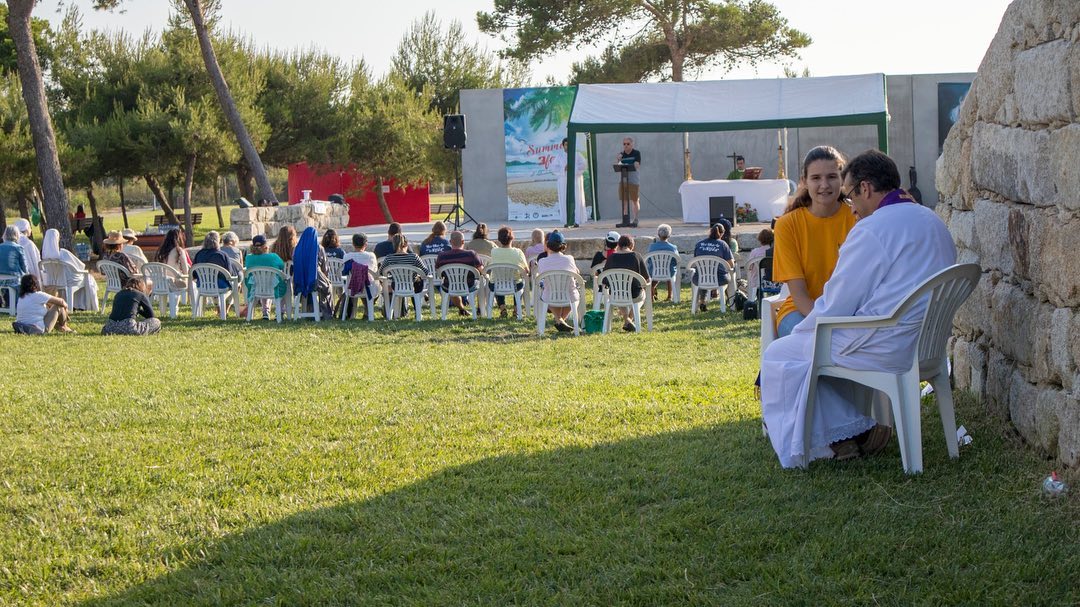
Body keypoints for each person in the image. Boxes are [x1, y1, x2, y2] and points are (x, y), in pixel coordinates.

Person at [760, 149, 957, 468]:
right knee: (800, 352)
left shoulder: (873, 229)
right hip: (928, 346)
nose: (850, 209)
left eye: (850, 196)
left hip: (884, 346)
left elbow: (837, 304)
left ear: (865, 188)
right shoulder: (930, 218)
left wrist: (802, 332)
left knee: (780, 355)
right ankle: (853, 430)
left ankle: (839, 437)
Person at [772, 146, 857, 338]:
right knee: (816, 342)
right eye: (816, 178)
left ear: (842, 179)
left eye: (832, 177)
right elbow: (799, 295)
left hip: (850, 314)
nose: (824, 185)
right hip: (801, 313)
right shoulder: (787, 225)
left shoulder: (857, 217)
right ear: (804, 181)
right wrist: (829, 326)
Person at [42, 228, 99, 311]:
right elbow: (80, 266)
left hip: (52, 281)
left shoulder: (44, 257)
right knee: (89, 278)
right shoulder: (63, 253)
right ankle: (84, 305)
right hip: (68, 281)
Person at [602, 235, 651, 331]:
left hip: (616, 294)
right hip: (634, 294)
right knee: (642, 295)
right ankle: (630, 318)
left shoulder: (611, 257)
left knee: (619, 292)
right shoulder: (636, 256)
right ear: (631, 245)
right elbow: (647, 280)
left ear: (618, 245)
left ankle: (626, 320)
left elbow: (604, 280)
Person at [535, 230, 580, 333]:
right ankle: (561, 320)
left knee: (548, 291)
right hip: (569, 296)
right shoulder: (570, 259)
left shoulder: (542, 261)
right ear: (563, 246)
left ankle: (559, 319)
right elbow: (577, 273)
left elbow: (541, 276)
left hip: (550, 296)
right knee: (575, 295)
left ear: (548, 245)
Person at [435, 230, 484, 315]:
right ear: (463, 242)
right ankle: (480, 309)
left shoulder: (442, 256)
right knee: (484, 281)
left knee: (453, 284)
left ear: (450, 242)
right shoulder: (471, 254)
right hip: (469, 286)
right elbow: (482, 271)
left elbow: (438, 272)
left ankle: (461, 309)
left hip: (449, 286)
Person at [380, 233, 426, 317]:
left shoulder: (389, 258)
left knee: (414, 281)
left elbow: (381, 272)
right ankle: (418, 312)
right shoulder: (414, 257)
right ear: (406, 244)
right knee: (416, 281)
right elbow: (426, 272)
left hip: (396, 286)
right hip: (414, 286)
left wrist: (392, 274)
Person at [691, 224, 734, 312]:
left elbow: (695, 261)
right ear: (722, 234)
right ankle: (731, 301)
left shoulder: (699, 244)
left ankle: (702, 301)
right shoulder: (723, 244)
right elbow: (731, 264)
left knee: (704, 274)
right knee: (731, 273)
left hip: (699, 278)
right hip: (719, 279)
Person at [293, 226, 333, 319]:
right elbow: (325, 268)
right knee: (328, 287)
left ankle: (308, 310)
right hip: (315, 278)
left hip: (299, 280)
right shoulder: (319, 248)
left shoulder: (297, 249)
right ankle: (327, 313)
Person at [243, 234, 286, 318]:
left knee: (263, 282)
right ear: (266, 246)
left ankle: (265, 311)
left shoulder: (248, 258)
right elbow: (282, 266)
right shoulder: (273, 256)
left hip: (256, 288)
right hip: (274, 287)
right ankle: (280, 312)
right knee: (279, 283)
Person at [490, 226, 528, 318]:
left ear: (499, 239)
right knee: (519, 281)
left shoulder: (494, 251)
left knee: (497, 279)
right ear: (512, 238)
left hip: (496, 285)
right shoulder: (518, 252)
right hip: (515, 285)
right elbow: (526, 270)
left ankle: (503, 309)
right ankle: (516, 310)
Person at [550, 137, 589, 226]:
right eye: (566, 145)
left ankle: (577, 221)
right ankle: (567, 221)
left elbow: (583, 165)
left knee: (577, 199)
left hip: (575, 180)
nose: (568, 146)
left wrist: (573, 168)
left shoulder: (577, 154)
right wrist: (564, 169)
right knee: (564, 200)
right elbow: (553, 168)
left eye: (569, 144)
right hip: (563, 181)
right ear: (563, 146)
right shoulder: (559, 156)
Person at [647, 224, 679, 301]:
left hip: (654, 272)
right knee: (670, 272)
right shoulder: (673, 248)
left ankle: (651, 297)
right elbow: (677, 260)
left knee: (654, 274)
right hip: (669, 272)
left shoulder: (652, 247)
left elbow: (648, 260)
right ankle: (669, 296)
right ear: (669, 235)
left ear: (658, 234)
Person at [0, 225, 28, 309]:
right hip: (13, 279)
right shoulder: (18, 248)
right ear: (17, 235)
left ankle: (7, 303)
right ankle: (17, 305)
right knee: (23, 280)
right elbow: (24, 267)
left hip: (0, 279)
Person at [616, 137, 642, 226]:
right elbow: (618, 166)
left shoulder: (636, 153)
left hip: (633, 180)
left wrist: (632, 164)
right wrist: (619, 159)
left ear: (632, 144)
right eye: (624, 144)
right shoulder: (621, 154)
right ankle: (625, 220)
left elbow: (637, 165)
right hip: (623, 180)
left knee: (635, 200)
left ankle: (635, 219)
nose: (626, 146)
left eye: (628, 144)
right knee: (624, 200)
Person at [744, 228, 774, 297]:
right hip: (771, 281)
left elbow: (749, 267)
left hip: (756, 281)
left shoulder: (754, 252)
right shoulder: (773, 252)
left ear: (760, 240)